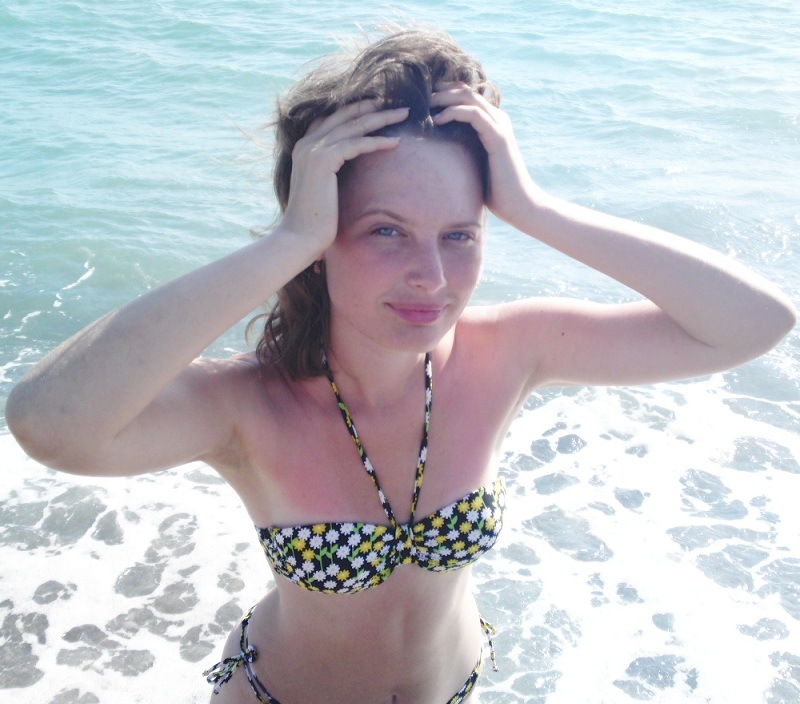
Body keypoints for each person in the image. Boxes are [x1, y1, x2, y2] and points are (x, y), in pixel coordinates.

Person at [6, 25, 795, 704]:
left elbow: (754, 323)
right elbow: (50, 424)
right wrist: (287, 242)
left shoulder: (510, 350)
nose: (432, 277)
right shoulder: (247, 404)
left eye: (459, 235)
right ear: (324, 236)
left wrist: (534, 207)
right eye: (386, 231)